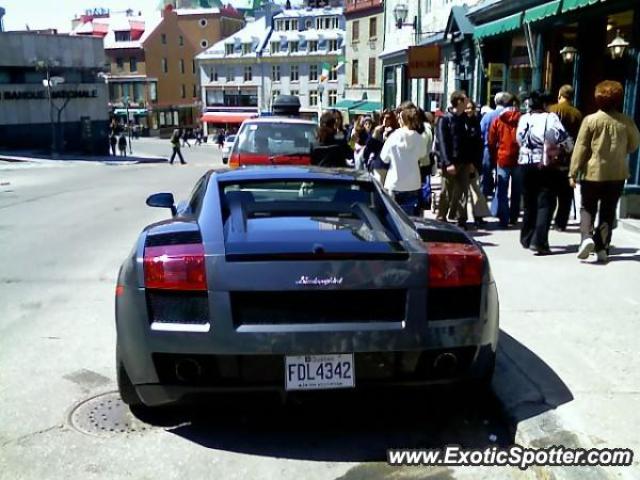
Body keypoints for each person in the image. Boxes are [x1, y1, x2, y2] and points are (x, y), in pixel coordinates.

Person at [570, 80, 640, 263]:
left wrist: (573, 171)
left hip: (592, 172)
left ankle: (586, 237)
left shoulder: (590, 120)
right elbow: (634, 145)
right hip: (617, 173)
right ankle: (602, 247)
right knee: (608, 211)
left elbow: (581, 147)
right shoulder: (626, 122)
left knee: (587, 207)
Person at [516, 90, 572, 255]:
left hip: (525, 163)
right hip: (544, 164)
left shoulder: (524, 118)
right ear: (546, 104)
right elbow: (563, 139)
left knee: (529, 201)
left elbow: (519, 139)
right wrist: (566, 149)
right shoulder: (550, 118)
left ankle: (526, 237)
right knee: (545, 202)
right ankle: (539, 241)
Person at [379, 103, 427, 216]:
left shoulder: (393, 137)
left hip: (394, 182)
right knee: (410, 219)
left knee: (394, 218)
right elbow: (422, 154)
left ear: (402, 120)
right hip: (413, 183)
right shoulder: (419, 138)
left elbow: (384, 158)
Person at [436, 90, 474, 229]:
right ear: (459, 101)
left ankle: (461, 218)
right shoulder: (445, 119)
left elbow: (470, 142)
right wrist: (447, 162)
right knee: (447, 191)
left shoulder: (466, 119)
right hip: (451, 162)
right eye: (465, 100)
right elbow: (443, 142)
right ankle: (441, 217)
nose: (468, 102)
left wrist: (471, 162)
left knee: (463, 191)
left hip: (464, 161)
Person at [548, 85, 583, 231]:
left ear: (560, 95)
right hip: (569, 156)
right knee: (565, 193)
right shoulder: (577, 114)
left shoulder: (551, 110)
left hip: (551, 156)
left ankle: (547, 218)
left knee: (549, 192)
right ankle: (560, 223)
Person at [488, 93, 522, 228]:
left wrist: (493, 155)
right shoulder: (522, 119)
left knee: (502, 189)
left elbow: (491, 140)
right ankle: (514, 216)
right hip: (519, 158)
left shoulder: (498, 120)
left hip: (502, 157)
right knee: (517, 189)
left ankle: (504, 217)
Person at [465, 100, 491, 227]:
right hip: (465, 162)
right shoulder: (462, 122)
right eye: (467, 108)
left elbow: (477, 144)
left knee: (476, 190)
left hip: (474, 162)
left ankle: (478, 217)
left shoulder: (476, 122)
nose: (469, 110)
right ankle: (461, 218)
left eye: (471, 108)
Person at [479, 92, 509, 198]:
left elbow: (481, 132)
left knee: (486, 171)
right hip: (504, 148)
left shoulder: (488, 116)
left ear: (495, 102)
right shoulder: (509, 115)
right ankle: (499, 194)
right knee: (501, 173)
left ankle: (485, 192)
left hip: (488, 147)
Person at [365, 109, 399, 185]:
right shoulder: (377, 130)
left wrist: (387, 138)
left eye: (388, 118)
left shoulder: (396, 132)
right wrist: (374, 136)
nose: (385, 120)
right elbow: (368, 148)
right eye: (383, 118)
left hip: (390, 166)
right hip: (377, 164)